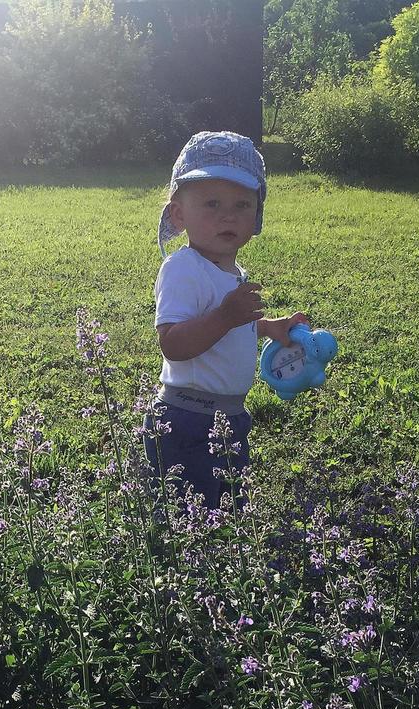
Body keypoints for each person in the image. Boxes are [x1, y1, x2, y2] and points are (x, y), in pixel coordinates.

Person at [144, 130, 308, 508]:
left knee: (229, 513)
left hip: (230, 417)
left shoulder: (234, 272)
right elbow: (173, 344)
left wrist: (269, 327)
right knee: (190, 521)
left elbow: (238, 327)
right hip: (186, 420)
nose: (228, 215)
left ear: (257, 217)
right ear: (178, 213)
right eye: (212, 203)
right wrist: (225, 315)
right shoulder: (182, 268)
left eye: (242, 204)